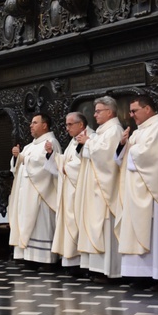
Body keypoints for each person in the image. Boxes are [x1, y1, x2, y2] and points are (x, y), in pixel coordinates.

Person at [115, 95, 158, 287]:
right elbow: (122, 160)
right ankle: (139, 274)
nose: (130, 115)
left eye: (134, 111)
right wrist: (123, 145)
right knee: (136, 230)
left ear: (148, 109)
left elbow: (151, 156)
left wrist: (131, 148)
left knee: (155, 234)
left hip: (153, 193)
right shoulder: (139, 131)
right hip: (136, 190)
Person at [75, 96, 123, 281]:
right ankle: (95, 268)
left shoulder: (114, 130)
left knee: (105, 229)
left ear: (109, 112)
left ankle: (109, 270)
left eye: (98, 111)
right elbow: (91, 154)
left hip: (105, 188)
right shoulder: (103, 132)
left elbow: (107, 157)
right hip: (95, 188)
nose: (94, 115)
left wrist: (88, 142)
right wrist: (86, 143)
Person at [8, 113, 62, 266]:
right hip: (26, 193)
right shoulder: (29, 146)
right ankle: (27, 256)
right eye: (31, 123)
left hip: (41, 194)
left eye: (34, 123)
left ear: (44, 125)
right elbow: (16, 168)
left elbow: (48, 166)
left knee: (41, 225)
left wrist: (24, 159)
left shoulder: (51, 142)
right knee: (26, 222)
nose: (31, 126)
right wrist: (16, 157)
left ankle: (44, 259)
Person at [46, 112, 94, 271]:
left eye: (70, 124)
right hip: (68, 189)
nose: (66, 128)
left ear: (81, 125)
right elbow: (65, 160)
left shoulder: (90, 138)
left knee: (77, 223)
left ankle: (80, 262)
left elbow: (83, 163)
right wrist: (52, 155)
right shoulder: (73, 142)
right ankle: (71, 261)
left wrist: (65, 168)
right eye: (66, 124)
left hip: (79, 190)